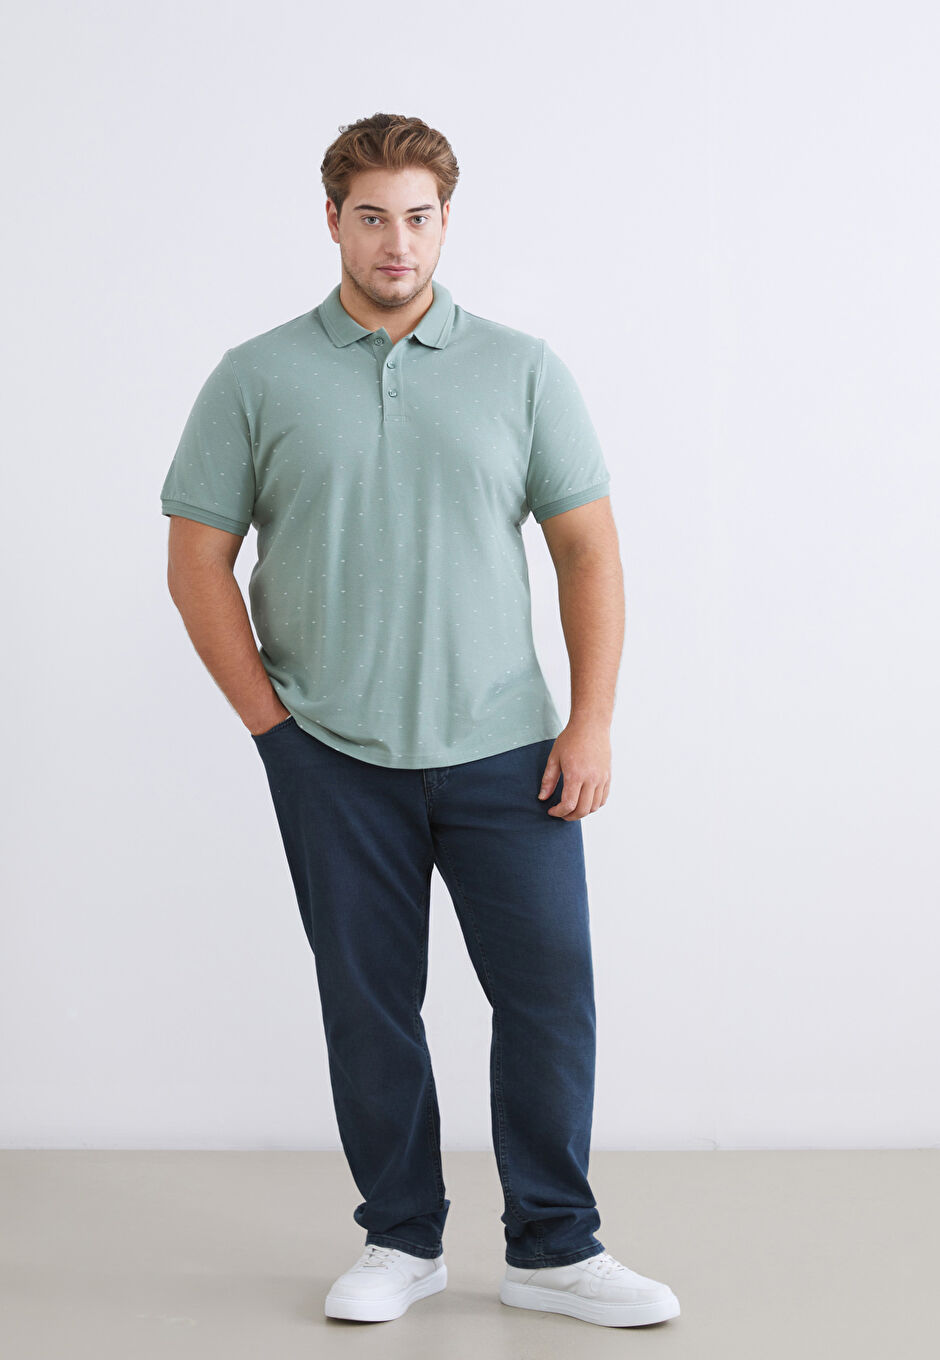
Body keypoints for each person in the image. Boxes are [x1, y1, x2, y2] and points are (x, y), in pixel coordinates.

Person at [160, 112, 680, 1329]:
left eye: (419, 217)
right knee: (369, 1004)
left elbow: (588, 552)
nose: (397, 241)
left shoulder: (523, 369)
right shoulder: (255, 376)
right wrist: (273, 730)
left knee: (549, 997)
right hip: (333, 756)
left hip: (511, 751)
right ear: (333, 221)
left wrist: (591, 721)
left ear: (447, 221)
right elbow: (196, 562)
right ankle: (401, 1237)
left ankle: (555, 1246)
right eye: (373, 217)